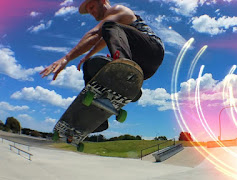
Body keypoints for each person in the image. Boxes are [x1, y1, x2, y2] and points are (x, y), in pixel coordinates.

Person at [40, 0, 165, 132]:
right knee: (90, 66)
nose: (91, 12)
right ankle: (97, 118)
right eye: (88, 11)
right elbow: (103, 40)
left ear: (103, 1)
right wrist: (87, 57)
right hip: (145, 68)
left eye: (92, 7)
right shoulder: (115, 27)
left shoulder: (117, 10)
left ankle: (125, 74)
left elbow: (96, 33)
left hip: (152, 49)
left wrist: (67, 58)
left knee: (108, 27)